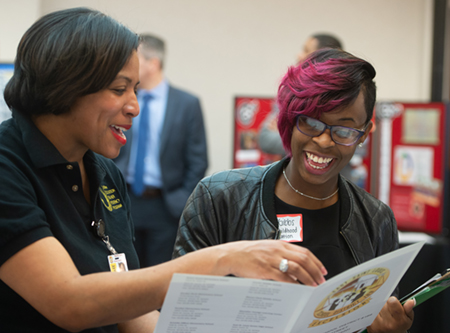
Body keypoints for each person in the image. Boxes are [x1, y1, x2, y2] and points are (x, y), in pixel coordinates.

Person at [0, 8, 329, 332]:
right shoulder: (8, 164)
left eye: (136, 89)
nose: (135, 107)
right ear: (66, 85)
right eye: (119, 89)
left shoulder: (104, 172)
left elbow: (126, 309)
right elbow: (68, 302)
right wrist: (225, 259)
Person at [173, 48, 415, 332]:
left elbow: (383, 311)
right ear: (290, 118)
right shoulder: (219, 199)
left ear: (364, 133)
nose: (324, 141)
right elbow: (181, 311)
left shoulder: (375, 219)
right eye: (311, 123)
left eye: (344, 131)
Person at [114, 33, 208, 267]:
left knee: (160, 276)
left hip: (166, 206)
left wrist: (181, 200)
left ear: (153, 63)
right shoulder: (124, 101)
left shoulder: (187, 104)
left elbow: (198, 159)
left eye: (136, 59)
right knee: (125, 274)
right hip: (124, 200)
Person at [258, 33, 342, 156]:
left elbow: (347, 144)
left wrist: (285, 133)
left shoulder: (344, 98)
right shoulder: (288, 93)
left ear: (324, 57)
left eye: (306, 50)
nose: (298, 55)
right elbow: (265, 139)